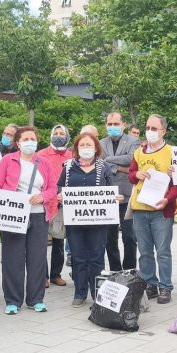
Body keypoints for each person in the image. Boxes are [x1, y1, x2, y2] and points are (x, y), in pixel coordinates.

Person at [0, 126, 57, 315]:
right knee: (12, 258)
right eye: (26, 139)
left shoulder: (43, 163)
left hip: (38, 215)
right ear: (18, 143)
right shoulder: (7, 160)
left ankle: (36, 299)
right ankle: (13, 300)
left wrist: (43, 196)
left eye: (33, 138)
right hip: (13, 215)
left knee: (37, 259)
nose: (30, 142)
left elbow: (53, 187)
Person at [57, 133, 123, 307]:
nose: (86, 148)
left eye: (89, 145)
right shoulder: (69, 167)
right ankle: (79, 293)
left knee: (96, 257)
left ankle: (97, 293)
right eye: (82, 145)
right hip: (75, 221)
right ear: (77, 148)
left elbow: (110, 189)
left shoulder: (104, 167)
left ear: (96, 148)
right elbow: (59, 185)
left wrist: (116, 198)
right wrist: (60, 195)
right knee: (78, 257)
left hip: (98, 222)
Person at [128, 114, 177, 304]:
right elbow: (131, 176)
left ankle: (165, 287)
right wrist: (137, 174)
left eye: (154, 128)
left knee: (163, 251)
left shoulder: (172, 153)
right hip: (140, 208)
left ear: (163, 131)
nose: (150, 131)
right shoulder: (139, 152)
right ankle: (149, 284)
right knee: (144, 251)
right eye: (148, 127)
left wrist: (168, 199)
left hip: (161, 209)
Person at [100, 112, 140, 272]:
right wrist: (119, 167)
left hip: (127, 196)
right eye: (110, 124)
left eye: (116, 124)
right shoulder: (100, 143)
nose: (113, 127)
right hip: (108, 197)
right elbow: (98, 162)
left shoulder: (133, 141)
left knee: (129, 237)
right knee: (110, 239)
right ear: (105, 126)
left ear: (123, 125)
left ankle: (129, 271)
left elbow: (131, 160)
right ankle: (115, 271)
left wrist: (109, 162)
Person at [38, 125, 74, 288]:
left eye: (62, 134)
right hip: (44, 203)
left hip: (62, 204)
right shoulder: (41, 155)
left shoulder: (71, 156)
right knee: (40, 241)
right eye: (56, 133)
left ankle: (55, 275)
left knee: (59, 240)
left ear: (67, 137)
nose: (59, 136)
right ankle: (42, 276)